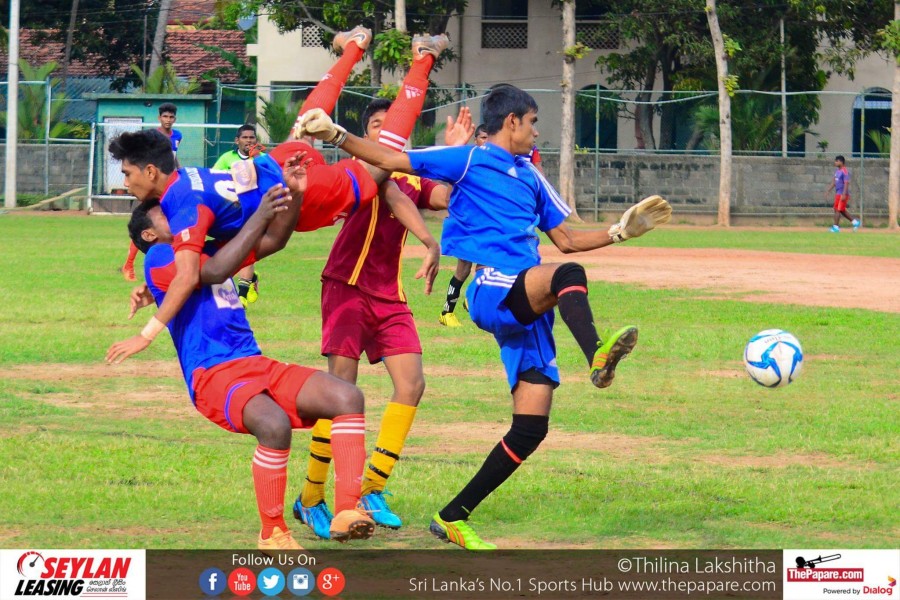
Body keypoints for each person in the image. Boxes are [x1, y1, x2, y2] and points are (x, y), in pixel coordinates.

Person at [297, 84, 672, 550]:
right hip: (495, 289)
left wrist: (619, 232)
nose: (537, 130)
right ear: (511, 121)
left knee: (531, 427)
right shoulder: (471, 159)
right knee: (570, 275)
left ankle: (452, 516)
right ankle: (596, 355)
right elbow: (394, 160)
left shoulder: (532, 177)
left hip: (530, 303)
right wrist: (336, 134)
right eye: (532, 121)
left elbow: (568, 240)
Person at [104, 27, 451, 365]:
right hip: (273, 163)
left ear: (151, 171)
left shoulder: (181, 205)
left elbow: (187, 275)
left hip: (298, 194)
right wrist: (156, 289)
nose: (126, 181)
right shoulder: (189, 176)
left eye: (127, 173)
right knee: (304, 127)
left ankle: (422, 60)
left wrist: (146, 334)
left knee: (382, 162)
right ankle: (353, 47)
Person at [114, 184, 375, 549]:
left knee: (347, 396)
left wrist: (294, 194)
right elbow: (215, 270)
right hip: (213, 373)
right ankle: (273, 532)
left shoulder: (208, 246)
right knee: (273, 424)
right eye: (165, 213)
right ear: (149, 232)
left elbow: (276, 240)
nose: (179, 212)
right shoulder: (159, 255)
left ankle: (348, 510)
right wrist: (260, 212)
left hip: (254, 361)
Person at [292, 98, 457, 540]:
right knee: (340, 394)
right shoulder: (359, 172)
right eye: (378, 128)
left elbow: (440, 196)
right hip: (345, 285)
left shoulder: (409, 173)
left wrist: (455, 163)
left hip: (389, 295)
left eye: (394, 128)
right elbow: (390, 192)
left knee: (412, 384)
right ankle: (310, 498)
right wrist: (427, 239)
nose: (388, 134)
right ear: (365, 136)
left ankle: (372, 487)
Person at [438, 123, 543, 328]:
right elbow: (451, 190)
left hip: (491, 224)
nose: (485, 142)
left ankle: (475, 298)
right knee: (463, 269)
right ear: (475, 139)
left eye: (488, 137)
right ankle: (447, 311)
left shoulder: (510, 160)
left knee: (491, 263)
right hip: (470, 223)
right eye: (482, 138)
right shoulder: (471, 160)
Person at [120, 103, 184, 281]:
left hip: (168, 184)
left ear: (175, 119)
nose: (168, 120)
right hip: (152, 185)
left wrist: (179, 171)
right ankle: (129, 264)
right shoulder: (153, 136)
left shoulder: (177, 136)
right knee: (147, 224)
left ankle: (176, 262)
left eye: (171, 117)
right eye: (165, 117)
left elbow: (172, 157)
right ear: (159, 118)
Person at [213, 124, 267, 307]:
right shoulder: (227, 158)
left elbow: (271, 180)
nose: (249, 141)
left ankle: (241, 295)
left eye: (252, 138)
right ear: (237, 141)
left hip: (255, 212)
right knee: (230, 251)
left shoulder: (262, 159)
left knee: (247, 248)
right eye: (245, 137)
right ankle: (251, 278)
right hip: (231, 212)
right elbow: (215, 178)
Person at [826, 155, 860, 232]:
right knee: (840, 210)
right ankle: (855, 222)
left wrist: (844, 194)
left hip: (842, 194)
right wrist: (828, 190)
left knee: (837, 210)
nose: (835, 163)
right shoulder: (837, 171)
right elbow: (834, 182)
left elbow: (846, 183)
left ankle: (836, 227)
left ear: (841, 162)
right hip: (838, 193)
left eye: (836, 161)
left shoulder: (844, 171)